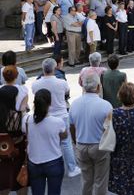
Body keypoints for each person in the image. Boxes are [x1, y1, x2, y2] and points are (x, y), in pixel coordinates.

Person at [32, 58, 81, 178]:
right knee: (66, 142)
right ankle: (71, 168)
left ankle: (46, 168)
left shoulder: (36, 84)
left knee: (46, 142)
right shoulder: (61, 83)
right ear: (55, 68)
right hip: (61, 115)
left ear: (43, 69)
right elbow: (66, 94)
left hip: (45, 115)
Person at [69, 72, 113, 194]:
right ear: (98, 87)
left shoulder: (74, 104)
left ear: (83, 86)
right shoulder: (106, 105)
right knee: (100, 181)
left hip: (81, 144)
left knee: (86, 180)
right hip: (99, 145)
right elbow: (109, 129)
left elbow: (72, 126)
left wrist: (75, 141)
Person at [23, 89, 67, 195]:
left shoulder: (27, 120)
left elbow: (25, 134)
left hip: (34, 162)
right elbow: (64, 136)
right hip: (54, 161)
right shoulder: (58, 122)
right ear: (50, 103)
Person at [108, 83, 134, 195]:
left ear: (120, 96)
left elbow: (107, 134)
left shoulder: (114, 113)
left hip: (119, 157)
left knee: (122, 189)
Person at [0, 66, 29, 195]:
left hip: (2, 140)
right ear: (16, 76)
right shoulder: (23, 91)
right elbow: (24, 112)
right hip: (18, 138)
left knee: (2, 176)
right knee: (21, 173)